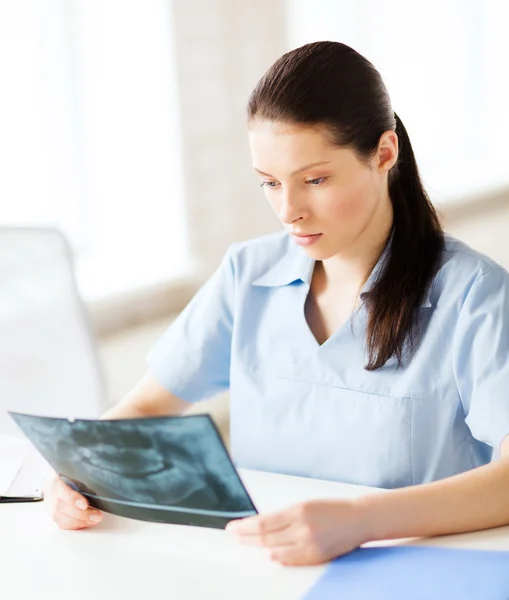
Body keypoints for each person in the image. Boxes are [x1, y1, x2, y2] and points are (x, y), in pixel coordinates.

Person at [44, 41, 509, 566]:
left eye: (315, 180)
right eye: (269, 183)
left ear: (384, 153)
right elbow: (148, 407)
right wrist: (79, 468)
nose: (289, 210)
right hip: (265, 571)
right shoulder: (248, 274)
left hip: (413, 572)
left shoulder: (474, 295)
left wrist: (360, 521)